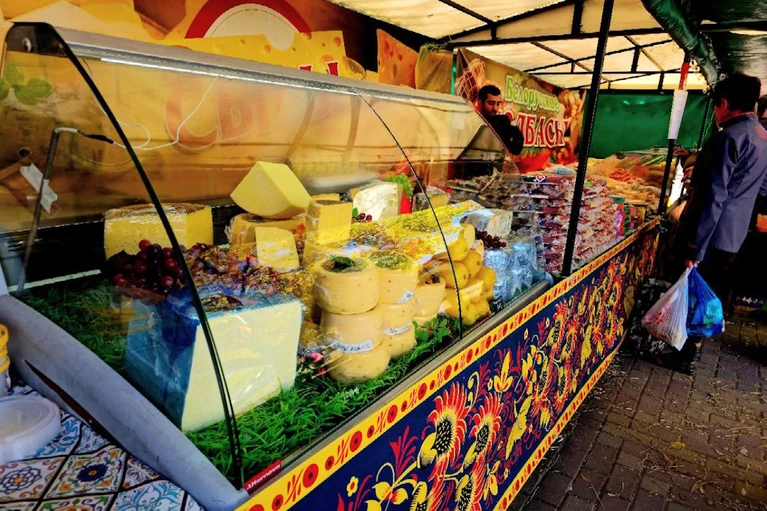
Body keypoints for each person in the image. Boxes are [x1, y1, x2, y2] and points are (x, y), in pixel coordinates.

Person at [666, 72, 767, 372]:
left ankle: (683, 355)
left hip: (711, 233)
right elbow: (759, 188)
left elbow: (713, 197)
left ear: (724, 104)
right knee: (708, 289)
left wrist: (694, 247)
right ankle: (692, 346)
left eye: (716, 106)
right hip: (734, 233)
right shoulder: (761, 135)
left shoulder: (728, 137)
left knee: (694, 292)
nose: (716, 112)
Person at [476, 85, 524, 156]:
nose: (495, 108)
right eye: (491, 103)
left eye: (498, 104)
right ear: (480, 102)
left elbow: (515, 149)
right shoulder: (471, 121)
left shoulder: (500, 123)